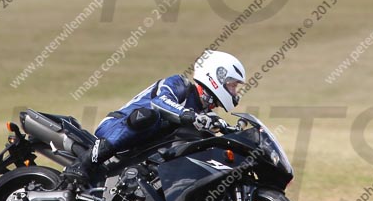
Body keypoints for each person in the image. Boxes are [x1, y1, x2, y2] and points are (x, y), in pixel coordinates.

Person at [64, 50, 246, 184]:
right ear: (216, 76)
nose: (234, 92)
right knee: (148, 116)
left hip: (141, 148)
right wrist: (189, 115)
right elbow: (160, 102)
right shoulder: (179, 84)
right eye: (232, 85)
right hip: (116, 127)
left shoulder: (203, 112)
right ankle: (82, 164)